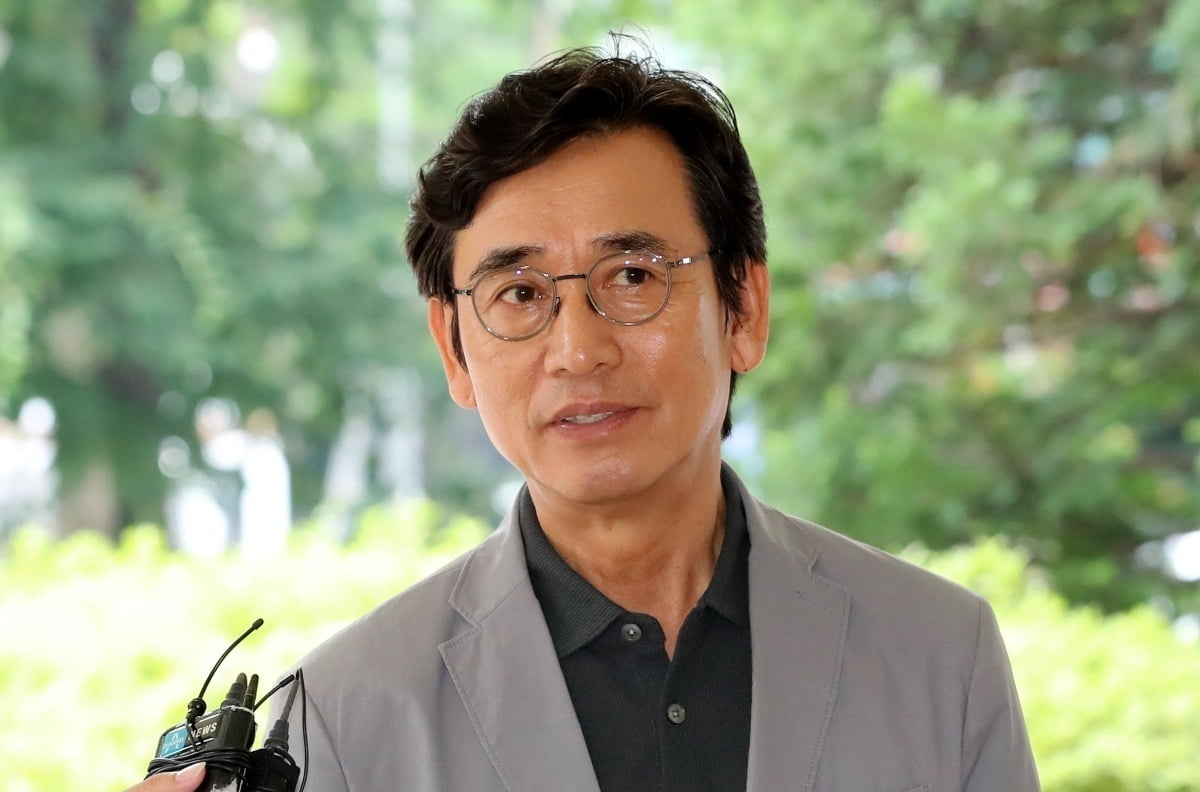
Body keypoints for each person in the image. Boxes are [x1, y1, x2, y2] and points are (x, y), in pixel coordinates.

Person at [127, 44, 1040, 792]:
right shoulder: (346, 712)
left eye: (634, 277)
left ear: (744, 308)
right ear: (454, 349)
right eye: (520, 293)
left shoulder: (940, 656)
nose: (578, 349)